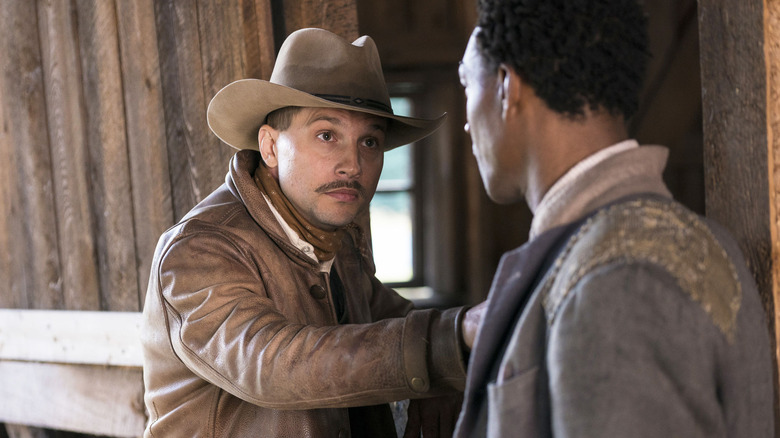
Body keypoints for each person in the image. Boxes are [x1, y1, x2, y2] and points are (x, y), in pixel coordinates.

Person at [454, 1, 775, 437]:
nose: (468, 124)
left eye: (467, 84)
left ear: (509, 87)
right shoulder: (703, 241)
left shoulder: (616, 282)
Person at [141, 27, 481, 438]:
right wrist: (445, 343)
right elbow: (270, 365)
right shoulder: (199, 249)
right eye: (326, 135)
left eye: (370, 142)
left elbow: (397, 320)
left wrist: (446, 370)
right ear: (270, 147)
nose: (352, 165)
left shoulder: (339, 244)